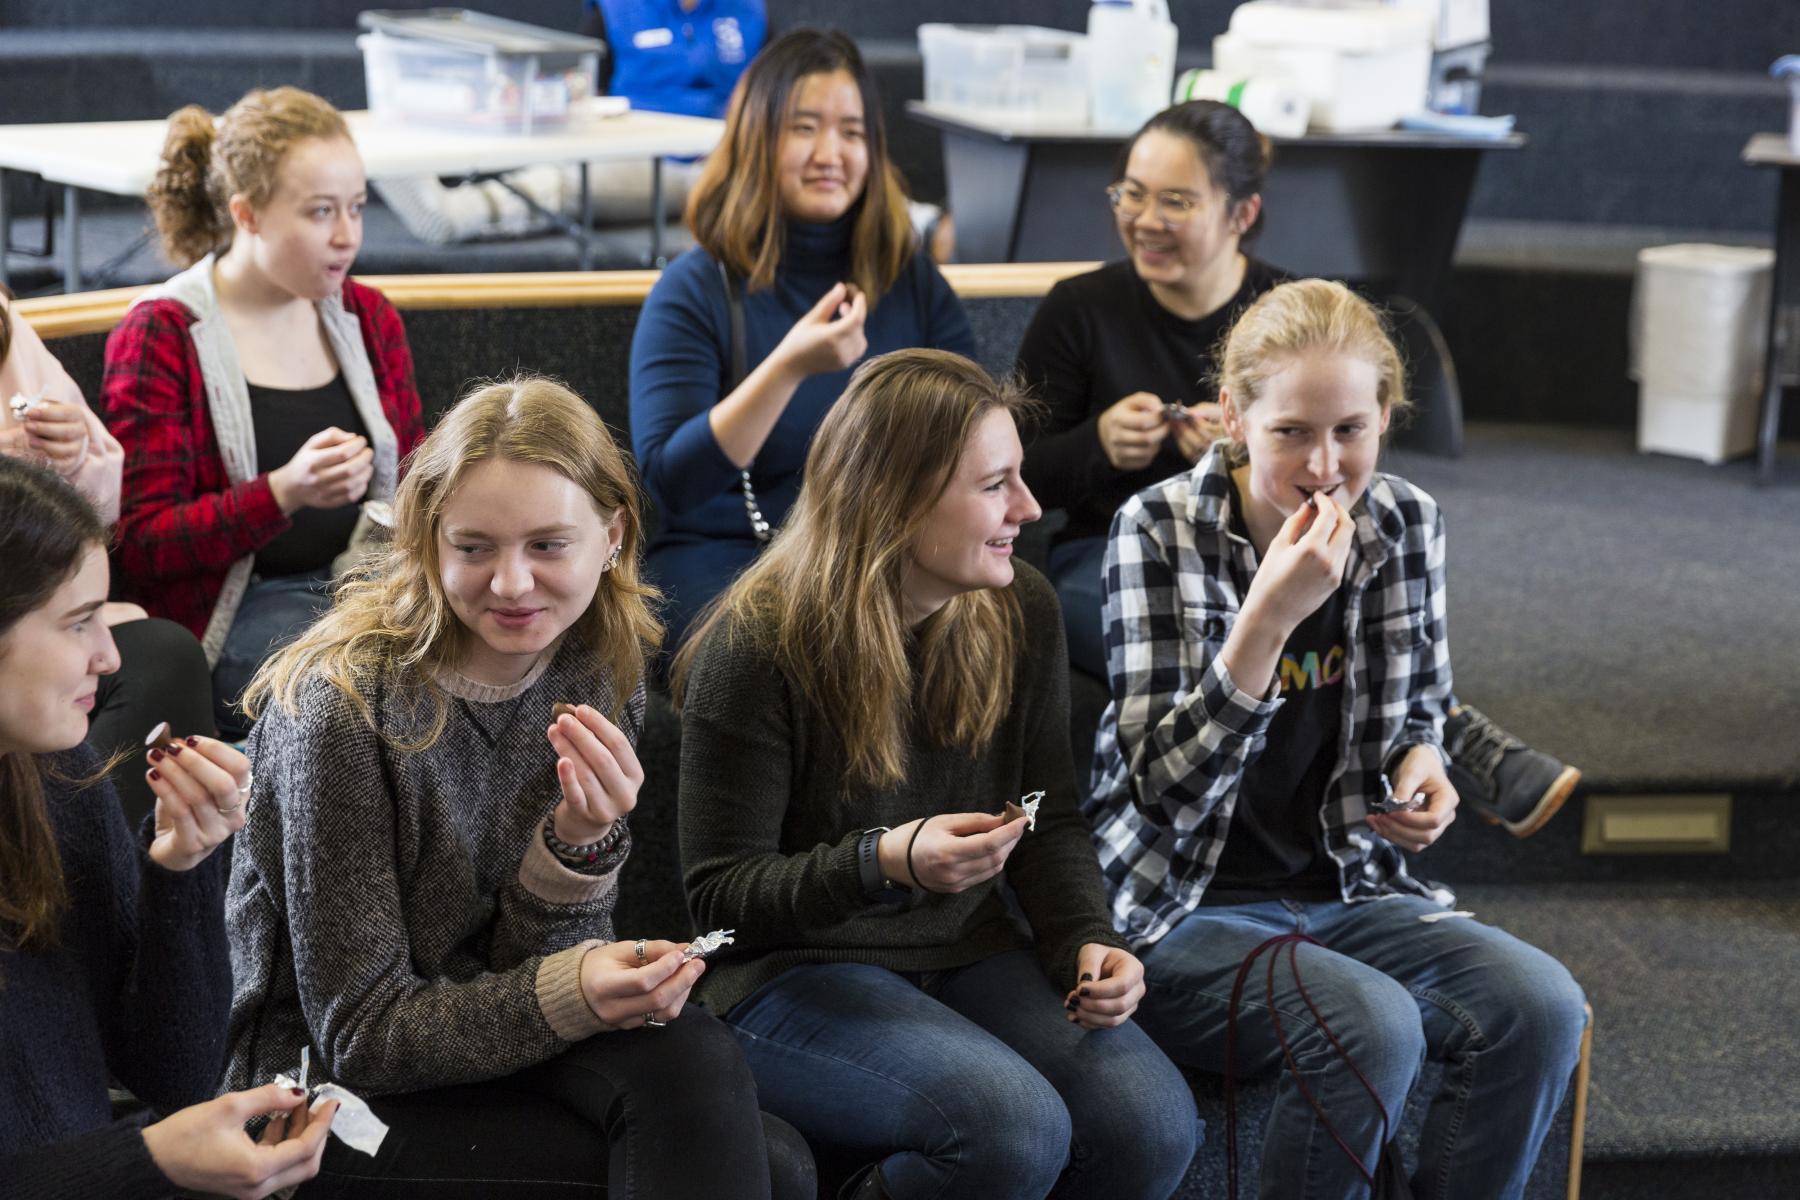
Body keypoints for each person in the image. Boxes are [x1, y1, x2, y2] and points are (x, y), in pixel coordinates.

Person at [223, 376, 812, 1198]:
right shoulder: (343, 710)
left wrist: (572, 852)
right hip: (318, 1095)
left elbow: (530, 963)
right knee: (763, 1164)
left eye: (547, 545)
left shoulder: (597, 663)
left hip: (482, 1035)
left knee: (719, 1086)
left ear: (612, 536)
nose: (511, 585)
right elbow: (363, 1036)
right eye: (473, 548)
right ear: (429, 540)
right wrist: (574, 988)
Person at [1084, 279, 1588, 1200]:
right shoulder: (1157, 530)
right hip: (1187, 908)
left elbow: (1419, 706)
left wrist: (1422, 762)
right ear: (1234, 417)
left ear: (1387, 418)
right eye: (1291, 433)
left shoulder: (1404, 520)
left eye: (1351, 430)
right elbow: (1161, 788)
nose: (1324, 466)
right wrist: (1265, 624)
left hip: (1351, 890)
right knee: (1376, 1024)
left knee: (1546, 1008)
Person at [675, 349, 1197, 1200]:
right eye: (996, 485)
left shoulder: (1019, 605)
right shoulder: (755, 644)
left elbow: (1044, 814)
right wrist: (880, 862)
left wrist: (1085, 940)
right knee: (1013, 1128)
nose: (1028, 509)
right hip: (788, 975)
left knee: (1152, 1126)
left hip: (967, 950)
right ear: (898, 497)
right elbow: (720, 904)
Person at [1018, 99, 1578, 834]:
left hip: (1270, 527)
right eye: (1132, 193)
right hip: (1121, 549)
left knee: (1347, 593)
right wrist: (1101, 444)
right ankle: (1445, 723)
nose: (1146, 218)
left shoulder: (1291, 315)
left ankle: (1431, 727)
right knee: (1215, 621)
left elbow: (1342, 453)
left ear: (1241, 213)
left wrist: (1256, 446)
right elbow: (1016, 477)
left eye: (1176, 200)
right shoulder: (1079, 308)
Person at [0, 455, 336, 1200]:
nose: (108, 654)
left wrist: (185, 865)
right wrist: (149, 1160)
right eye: (78, 621)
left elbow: (171, 1073)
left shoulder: (55, 776)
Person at [631, 28, 975, 652]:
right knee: (792, 645)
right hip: (727, 552)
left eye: (851, 131)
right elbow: (667, 485)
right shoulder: (695, 287)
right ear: (757, 139)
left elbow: (972, 428)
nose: (830, 153)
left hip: (878, 550)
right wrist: (786, 368)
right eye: (804, 127)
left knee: (1001, 617)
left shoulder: (909, 277)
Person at [103, 86, 425, 739]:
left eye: (358, 209)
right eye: (320, 213)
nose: (348, 237)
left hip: (366, 583)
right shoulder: (164, 333)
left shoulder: (367, 316)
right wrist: (282, 492)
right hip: (243, 607)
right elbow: (140, 544)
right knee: (345, 688)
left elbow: (418, 475)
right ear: (247, 215)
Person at [2, 291, 214, 828]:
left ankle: (107, 851)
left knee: (165, 656)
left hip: (33, 588)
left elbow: (93, 520)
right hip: (20, 599)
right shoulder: (164, 326)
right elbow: (152, 537)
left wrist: (72, 454)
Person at [376, 0, 769, 245]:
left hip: (724, 166)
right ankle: (455, 212)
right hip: (643, 155)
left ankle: (459, 210)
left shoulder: (750, 12)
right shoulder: (615, 9)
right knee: (567, 179)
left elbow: (774, 94)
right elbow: (576, 88)